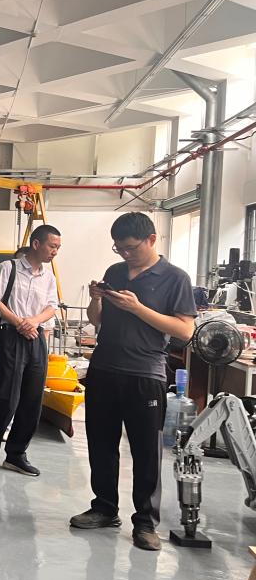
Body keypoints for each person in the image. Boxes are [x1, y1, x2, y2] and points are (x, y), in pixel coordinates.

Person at [70, 212, 196, 551]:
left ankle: (145, 522)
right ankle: (104, 508)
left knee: (145, 451)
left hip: (145, 373)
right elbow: (96, 321)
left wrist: (138, 308)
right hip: (104, 368)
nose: (125, 254)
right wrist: (97, 299)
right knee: (101, 443)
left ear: (151, 239)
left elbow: (185, 330)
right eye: (119, 248)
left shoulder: (175, 278)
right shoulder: (115, 271)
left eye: (131, 248)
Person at [0, 225, 61, 478]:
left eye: (58, 248)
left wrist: (33, 322)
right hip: (12, 335)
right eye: (52, 246)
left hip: (36, 337)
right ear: (36, 244)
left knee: (33, 400)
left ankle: (16, 454)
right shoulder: (8, 268)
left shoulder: (49, 276)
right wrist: (19, 322)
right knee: (8, 398)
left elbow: (51, 306)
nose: (55, 251)